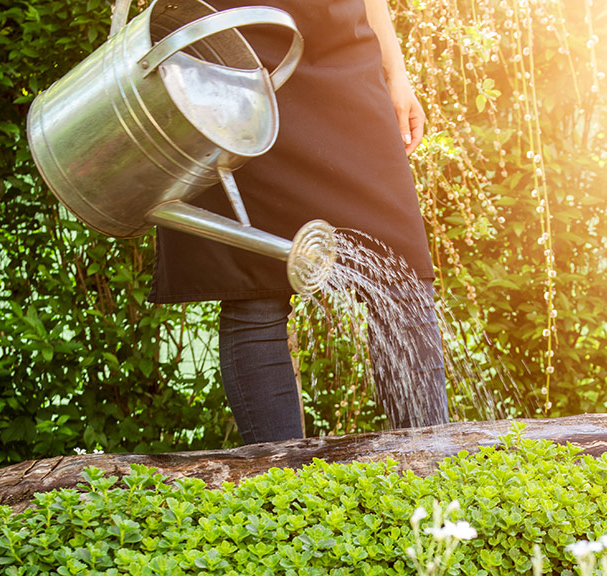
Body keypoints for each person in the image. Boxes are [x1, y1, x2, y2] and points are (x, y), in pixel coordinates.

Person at [153, 0, 449, 443]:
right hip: (233, 49)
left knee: (400, 278)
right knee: (255, 285)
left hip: (341, 49)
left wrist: (397, 73)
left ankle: (431, 466)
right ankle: (282, 487)